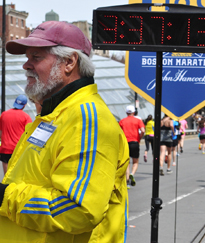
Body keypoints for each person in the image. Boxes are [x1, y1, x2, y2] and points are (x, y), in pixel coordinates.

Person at [0, 21, 129, 242]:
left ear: (69, 62)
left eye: (36, 57)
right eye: (26, 57)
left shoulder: (87, 120)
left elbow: (79, 209)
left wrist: (5, 197)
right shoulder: (55, 114)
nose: (26, 65)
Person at [0, 94, 32, 174]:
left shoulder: (3, 115)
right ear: (24, 105)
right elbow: (29, 134)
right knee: (17, 175)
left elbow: (0, 132)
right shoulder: (26, 117)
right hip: (18, 150)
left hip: (5, 149)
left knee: (6, 176)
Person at [119, 105, 145, 187]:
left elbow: (119, 133)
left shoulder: (122, 121)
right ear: (134, 112)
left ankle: (127, 181)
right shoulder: (138, 120)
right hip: (135, 142)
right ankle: (132, 174)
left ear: (126, 112)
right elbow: (143, 130)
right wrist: (139, 137)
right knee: (135, 161)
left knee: (127, 162)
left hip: (125, 143)